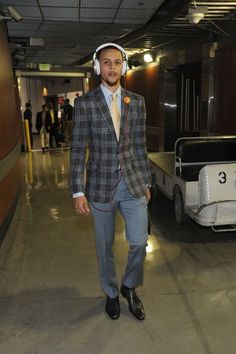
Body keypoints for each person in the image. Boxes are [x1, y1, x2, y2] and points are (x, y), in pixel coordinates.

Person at [70, 43, 151, 321]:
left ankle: (129, 287)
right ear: (98, 67)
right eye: (106, 62)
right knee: (104, 247)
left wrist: (147, 182)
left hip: (133, 184)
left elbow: (140, 145)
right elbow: (78, 148)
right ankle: (111, 293)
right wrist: (77, 190)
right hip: (100, 186)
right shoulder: (84, 104)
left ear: (124, 67)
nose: (112, 67)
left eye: (117, 62)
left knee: (139, 242)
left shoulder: (137, 102)